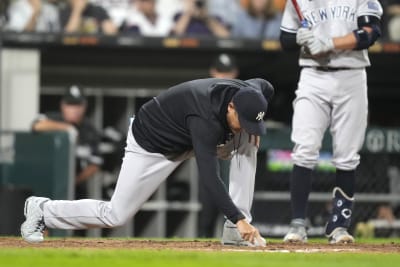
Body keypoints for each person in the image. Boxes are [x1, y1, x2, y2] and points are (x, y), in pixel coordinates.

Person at [21, 78, 274, 246]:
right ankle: (43, 211)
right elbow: (210, 177)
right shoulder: (205, 118)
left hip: (188, 136)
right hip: (153, 143)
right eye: (244, 119)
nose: (248, 126)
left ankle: (234, 230)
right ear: (231, 106)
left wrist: (250, 125)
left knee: (249, 141)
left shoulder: (251, 92)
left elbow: (266, 86)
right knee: (116, 215)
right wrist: (236, 215)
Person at [279, 0, 383, 244]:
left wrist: (330, 44)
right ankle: (297, 224)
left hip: (351, 76)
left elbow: (371, 33)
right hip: (313, 75)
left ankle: (339, 226)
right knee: (304, 150)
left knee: (347, 156)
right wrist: (300, 38)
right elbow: (285, 39)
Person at [32, 85, 103, 202]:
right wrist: (67, 128)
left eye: (77, 105)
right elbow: (36, 125)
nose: (74, 109)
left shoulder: (90, 130)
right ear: (63, 105)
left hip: (75, 188)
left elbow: (95, 163)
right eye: (70, 105)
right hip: (47, 185)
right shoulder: (53, 118)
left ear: (84, 106)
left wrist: (73, 181)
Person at [198, 54, 240, 238]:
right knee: (207, 211)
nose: (224, 77)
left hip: (234, 157)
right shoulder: (203, 93)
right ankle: (203, 251)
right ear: (213, 72)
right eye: (220, 72)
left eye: (228, 72)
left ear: (235, 73)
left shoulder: (242, 95)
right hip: (211, 153)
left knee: (236, 205)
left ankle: (236, 240)